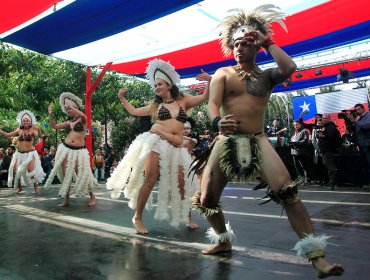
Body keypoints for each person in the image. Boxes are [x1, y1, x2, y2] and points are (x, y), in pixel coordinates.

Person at [191, 6, 343, 278]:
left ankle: (317, 258)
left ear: (257, 45)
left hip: (259, 141)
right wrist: (216, 122)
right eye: (236, 43)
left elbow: (290, 67)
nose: (240, 48)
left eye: (246, 43)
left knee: (287, 192)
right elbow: (213, 105)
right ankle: (222, 241)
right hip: (225, 141)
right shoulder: (222, 73)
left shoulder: (268, 75)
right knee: (206, 199)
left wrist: (268, 41)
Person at [107, 59, 210, 234]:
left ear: (169, 85)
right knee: (151, 179)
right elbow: (134, 111)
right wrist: (121, 98)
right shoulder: (156, 106)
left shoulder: (183, 101)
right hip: (155, 142)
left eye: (159, 84)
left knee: (182, 184)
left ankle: (187, 216)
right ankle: (137, 217)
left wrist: (209, 80)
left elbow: (203, 97)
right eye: (155, 85)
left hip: (176, 148)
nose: (156, 87)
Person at [45, 92, 97, 207]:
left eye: (70, 108)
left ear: (76, 107)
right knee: (65, 174)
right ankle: (66, 199)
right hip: (66, 149)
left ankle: (92, 196)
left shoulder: (83, 120)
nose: (68, 110)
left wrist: (72, 106)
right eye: (67, 108)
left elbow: (84, 116)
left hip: (79, 151)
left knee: (82, 173)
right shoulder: (68, 122)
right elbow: (53, 126)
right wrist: (50, 115)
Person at [0, 110, 45, 194]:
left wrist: (38, 129)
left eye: (27, 120)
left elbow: (39, 136)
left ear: (30, 121)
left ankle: (36, 187)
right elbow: (7, 134)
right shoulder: (19, 131)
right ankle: (19, 188)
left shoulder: (32, 130)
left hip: (30, 154)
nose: (25, 122)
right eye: (24, 121)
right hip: (19, 154)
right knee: (15, 170)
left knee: (31, 170)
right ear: (21, 122)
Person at [317, 114, 341, 190]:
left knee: (331, 167)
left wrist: (323, 135)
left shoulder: (331, 127)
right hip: (325, 150)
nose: (324, 119)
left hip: (329, 150)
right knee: (328, 166)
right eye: (323, 118)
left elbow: (330, 136)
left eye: (326, 118)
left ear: (329, 119)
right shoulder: (325, 127)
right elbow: (318, 135)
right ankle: (332, 182)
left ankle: (333, 183)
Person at [347, 104, 370, 174]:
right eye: (356, 110)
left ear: (364, 109)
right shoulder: (359, 118)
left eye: (358, 109)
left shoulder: (368, 115)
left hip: (367, 144)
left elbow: (366, 126)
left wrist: (354, 121)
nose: (357, 111)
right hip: (362, 144)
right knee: (365, 164)